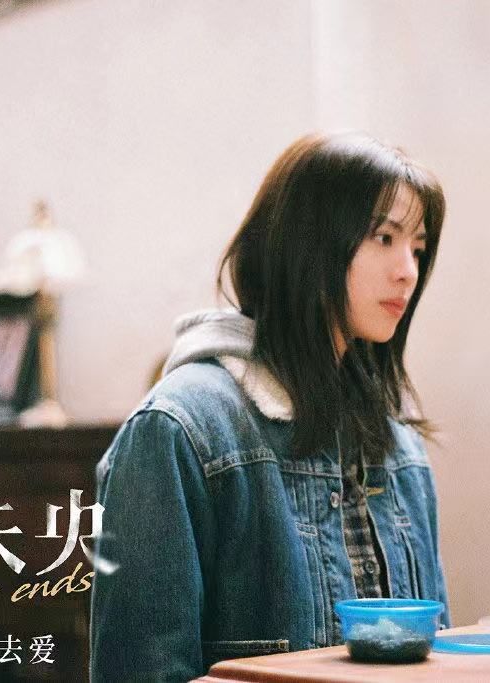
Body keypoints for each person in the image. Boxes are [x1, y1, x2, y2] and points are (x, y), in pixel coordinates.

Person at [89, 131, 449, 682]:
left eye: (417, 248)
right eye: (384, 238)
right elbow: (140, 670)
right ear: (309, 242)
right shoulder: (180, 428)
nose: (408, 270)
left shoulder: (399, 443)